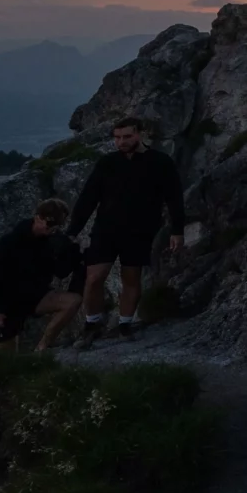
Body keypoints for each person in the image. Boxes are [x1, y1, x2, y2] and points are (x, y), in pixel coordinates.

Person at [67, 115, 185, 345]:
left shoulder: (160, 162)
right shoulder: (107, 163)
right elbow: (88, 198)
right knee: (93, 279)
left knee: (131, 279)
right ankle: (92, 325)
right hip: (105, 230)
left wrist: (177, 230)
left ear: (139, 134)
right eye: (117, 137)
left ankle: (125, 325)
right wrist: (73, 230)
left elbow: (174, 199)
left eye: (127, 136)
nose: (121, 141)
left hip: (140, 231)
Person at [0, 199, 86, 351]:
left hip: (34, 297)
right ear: (38, 217)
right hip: (6, 303)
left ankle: (42, 348)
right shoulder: (7, 244)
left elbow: (61, 272)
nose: (53, 229)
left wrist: (72, 251)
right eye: (50, 224)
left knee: (72, 301)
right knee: (6, 360)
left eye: (58, 226)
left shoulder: (50, 243)